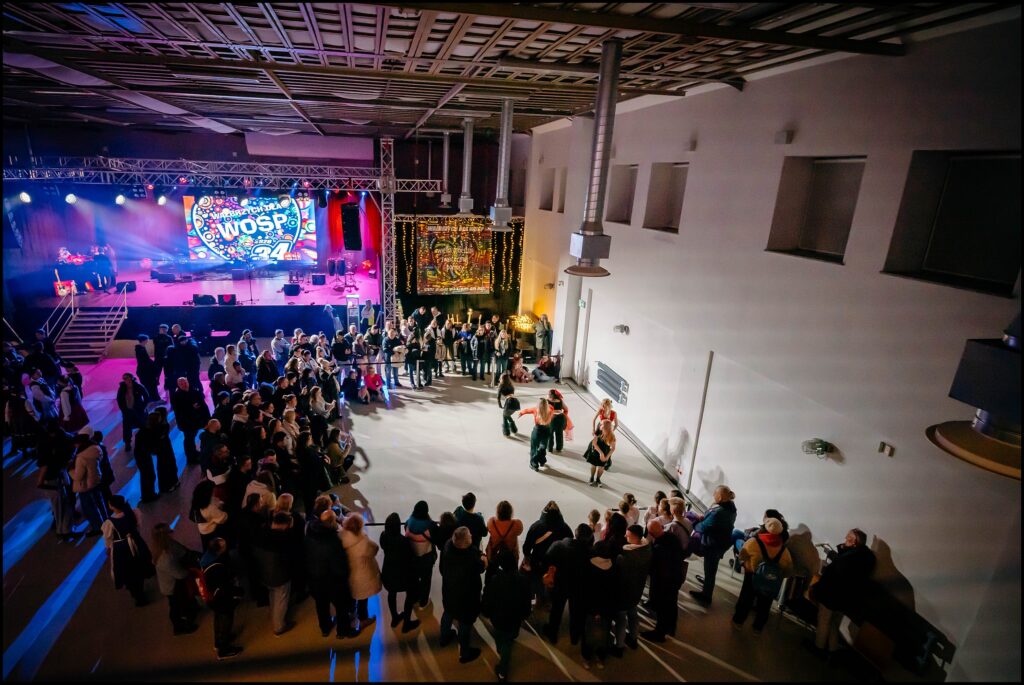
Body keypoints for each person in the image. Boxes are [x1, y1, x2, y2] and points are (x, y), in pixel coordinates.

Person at [808, 528, 876, 657]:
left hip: (831, 596)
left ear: (854, 542)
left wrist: (817, 588)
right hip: (846, 600)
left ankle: (819, 648)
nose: (845, 538)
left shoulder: (848, 558)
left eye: (848, 537)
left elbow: (833, 575)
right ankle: (833, 651)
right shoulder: (866, 559)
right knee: (834, 624)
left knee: (824, 621)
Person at [732, 517, 794, 634]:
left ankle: (738, 621)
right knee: (765, 605)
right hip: (771, 580)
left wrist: (746, 565)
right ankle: (757, 628)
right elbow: (788, 570)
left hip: (752, 575)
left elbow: (742, 556)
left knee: (746, 599)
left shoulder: (754, 542)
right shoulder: (784, 550)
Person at [482, 547, 532, 681]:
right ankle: (505, 655)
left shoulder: (495, 580)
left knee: (501, 640)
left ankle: (502, 665)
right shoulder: (523, 580)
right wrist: (524, 615)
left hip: (498, 619)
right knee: (510, 638)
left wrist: (487, 612)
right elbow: (526, 602)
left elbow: (487, 601)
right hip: (514, 620)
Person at [439, 526, 485, 664]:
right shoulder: (470, 558)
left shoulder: (448, 545)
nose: (471, 536)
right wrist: (484, 558)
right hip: (467, 598)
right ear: (465, 542)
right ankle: (465, 653)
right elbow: (482, 567)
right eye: (470, 535)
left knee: (448, 613)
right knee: (465, 624)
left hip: (449, 591)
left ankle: (444, 638)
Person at [544, 523, 594, 645]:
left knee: (556, 609)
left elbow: (547, 559)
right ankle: (574, 636)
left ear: (575, 533)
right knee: (576, 611)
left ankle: (552, 633)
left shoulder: (559, 545)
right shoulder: (589, 552)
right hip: (578, 586)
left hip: (560, 583)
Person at [689, 485, 738, 606]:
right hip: (722, 542)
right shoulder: (732, 507)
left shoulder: (718, 513)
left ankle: (706, 595)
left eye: (715, 494)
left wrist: (694, 524)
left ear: (720, 497)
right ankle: (707, 582)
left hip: (713, 545)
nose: (713, 496)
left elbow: (703, 527)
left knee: (710, 569)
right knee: (711, 568)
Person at [102, 495, 154, 607]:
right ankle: (139, 588)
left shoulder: (110, 522)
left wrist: (108, 548)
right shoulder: (133, 513)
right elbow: (138, 526)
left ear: (112, 506)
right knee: (138, 565)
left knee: (128, 570)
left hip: (122, 548)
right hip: (136, 542)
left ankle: (137, 594)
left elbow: (108, 538)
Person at [151, 522, 200, 635]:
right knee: (177, 606)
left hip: (169, 584)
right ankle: (180, 627)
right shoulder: (165, 558)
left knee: (179, 603)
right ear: (165, 536)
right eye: (169, 531)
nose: (172, 533)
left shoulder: (159, 548)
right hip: (173, 587)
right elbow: (180, 574)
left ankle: (191, 610)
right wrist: (190, 572)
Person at [641, 518, 685, 643]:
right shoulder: (673, 538)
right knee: (672, 603)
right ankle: (671, 627)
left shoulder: (658, 548)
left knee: (662, 608)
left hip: (663, 583)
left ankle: (659, 633)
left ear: (651, 534)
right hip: (676, 578)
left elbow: (654, 568)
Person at [522, 501, 573, 602]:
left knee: (539, 585)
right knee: (553, 587)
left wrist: (527, 556)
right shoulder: (566, 528)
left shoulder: (536, 526)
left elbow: (527, 547)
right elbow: (569, 545)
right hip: (557, 565)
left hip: (538, 562)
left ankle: (539, 601)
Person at [202, 538, 244, 660]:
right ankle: (224, 650)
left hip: (213, 598)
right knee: (226, 620)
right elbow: (225, 587)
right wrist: (238, 592)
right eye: (224, 545)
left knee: (218, 618)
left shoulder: (206, 559)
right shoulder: (218, 568)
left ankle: (218, 641)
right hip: (222, 600)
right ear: (219, 550)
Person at [379, 512, 421, 633]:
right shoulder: (404, 541)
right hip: (403, 575)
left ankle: (395, 618)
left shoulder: (383, 536)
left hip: (388, 573)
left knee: (391, 594)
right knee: (410, 596)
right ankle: (407, 623)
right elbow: (410, 558)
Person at [341, 513, 382, 631]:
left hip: (348, 573)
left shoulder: (341, 537)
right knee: (362, 599)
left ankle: (351, 612)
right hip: (362, 574)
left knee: (351, 595)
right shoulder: (364, 541)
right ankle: (363, 619)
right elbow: (375, 549)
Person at [35, 421, 76, 540]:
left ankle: (61, 531)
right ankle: (67, 530)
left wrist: (40, 481)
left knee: (57, 506)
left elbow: (44, 465)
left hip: (51, 478)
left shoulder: (44, 444)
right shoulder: (67, 438)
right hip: (63, 473)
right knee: (66, 502)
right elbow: (72, 453)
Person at [617, 524, 652, 650]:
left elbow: (619, 575)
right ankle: (633, 638)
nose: (625, 536)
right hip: (637, 589)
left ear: (635, 537)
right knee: (633, 613)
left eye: (628, 535)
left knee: (621, 619)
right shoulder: (647, 549)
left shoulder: (626, 556)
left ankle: (619, 646)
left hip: (624, 592)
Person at [71, 432, 107, 536]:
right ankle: (106, 522)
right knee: (100, 503)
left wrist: (70, 470)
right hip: (96, 480)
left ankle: (97, 527)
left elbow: (78, 476)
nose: (75, 446)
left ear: (80, 443)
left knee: (89, 508)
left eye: (76, 444)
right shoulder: (96, 448)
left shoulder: (81, 457)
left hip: (85, 485)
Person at [405, 501, 438, 608]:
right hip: (426, 558)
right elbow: (436, 539)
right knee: (426, 580)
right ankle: (423, 602)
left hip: (412, 557)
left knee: (414, 578)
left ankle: (414, 597)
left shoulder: (408, 522)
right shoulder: (431, 525)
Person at [170, 377, 209, 466]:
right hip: (186, 423)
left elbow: (203, 404)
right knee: (189, 439)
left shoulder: (194, 390)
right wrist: (192, 407)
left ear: (188, 382)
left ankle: (194, 452)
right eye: (181, 384)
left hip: (196, 420)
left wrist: (207, 417)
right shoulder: (176, 396)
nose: (184, 384)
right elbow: (179, 411)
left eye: (185, 382)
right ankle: (191, 458)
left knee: (192, 437)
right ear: (178, 385)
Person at [485, 500, 524, 569]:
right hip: (511, 555)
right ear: (510, 512)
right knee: (512, 572)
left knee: (491, 571)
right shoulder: (517, 524)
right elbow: (519, 532)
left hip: (494, 554)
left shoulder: (491, 522)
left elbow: (488, 530)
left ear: (498, 512)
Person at [517, 398, 553, 472]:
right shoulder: (551, 409)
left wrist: (521, 413)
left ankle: (534, 464)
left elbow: (527, 410)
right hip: (547, 430)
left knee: (534, 447)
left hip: (537, 430)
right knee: (543, 446)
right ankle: (542, 461)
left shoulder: (535, 409)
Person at [585, 419, 617, 487]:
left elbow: (613, 448)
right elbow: (594, 443)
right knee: (594, 464)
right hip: (595, 449)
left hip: (605, 450)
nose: (599, 425)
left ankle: (598, 479)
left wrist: (607, 457)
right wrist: (601, 453)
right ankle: (591, 477)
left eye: (601, 424)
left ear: (605, 427)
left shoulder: (612, 436)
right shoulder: (598, 432)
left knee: (602, 466)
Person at [135, 334, 161, 401]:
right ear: (143, 340)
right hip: (145, 371)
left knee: (150, 385)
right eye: (147, 340)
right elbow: (144, 360)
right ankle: (153, 399)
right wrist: (153, 364)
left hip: (145, 370)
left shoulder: (141, 348)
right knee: (150, 385)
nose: (148, 341)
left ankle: (154, 399)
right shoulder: (140, 349)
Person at [546, 388, 572, 453]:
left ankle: (549, 448)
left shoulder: (547, 401)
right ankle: (559, 448)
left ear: (551, 395)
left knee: (550, 434)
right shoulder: (560, 401)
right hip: (560, 418)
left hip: (551, 419)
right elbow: (566, 409)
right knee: (559, 434)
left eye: (548, 394)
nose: (547, 395)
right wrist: (564, 416)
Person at [496, 373, 520, 438]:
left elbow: (498, 397)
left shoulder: (501, 386)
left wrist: (500, 405)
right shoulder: (511, 385)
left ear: (502, 379)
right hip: (516, 402)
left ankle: (506, 432)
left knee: (504, 416)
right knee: (507, 415)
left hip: (509, 403)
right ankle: (514, 429)